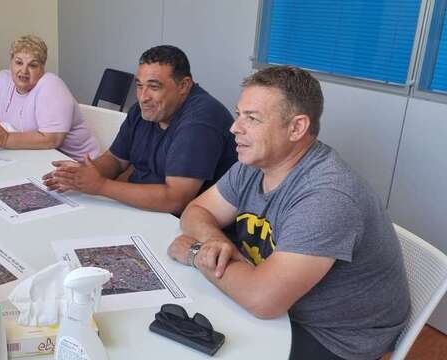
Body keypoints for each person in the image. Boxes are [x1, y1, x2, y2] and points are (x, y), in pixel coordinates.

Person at [168, 66, 410, 360]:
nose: (235, 128)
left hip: (333, 337)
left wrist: (196, 254)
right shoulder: (254, 163)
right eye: (239, 114)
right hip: (279, 304)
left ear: (296, 128)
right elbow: (197, 210)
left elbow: (263, 300)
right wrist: (213, 241)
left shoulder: (328, 196)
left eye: (252, 118)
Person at [43, 45, 237, 214]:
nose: (143, 97)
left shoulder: (200, 122)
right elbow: (115, 160)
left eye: (154, 87)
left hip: (179, 221)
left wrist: (100, 185)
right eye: (139, 85)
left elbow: (175, 200)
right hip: (141, 208)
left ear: (184, 86)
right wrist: (82, 174)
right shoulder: (145, 109)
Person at [0, 34, 99, 161]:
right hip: (33, 158)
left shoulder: (51, 85)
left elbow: (52, 140)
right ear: (11, 63)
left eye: (33, 65)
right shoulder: (1, 80)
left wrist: (5, 139)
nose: (24, 71)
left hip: (78, 164)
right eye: (19, 62)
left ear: (42, 68)